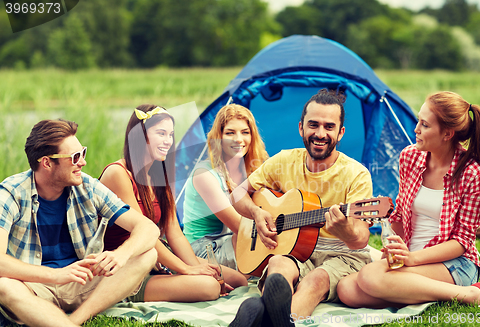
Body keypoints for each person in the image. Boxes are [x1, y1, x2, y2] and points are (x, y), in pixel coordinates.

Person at [337, 91, 480, 309]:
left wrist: (412, 260)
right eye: (418, 121)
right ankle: (416, 291)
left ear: (447, 134)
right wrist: (391, 238)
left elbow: (461, 242)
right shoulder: (410, 157)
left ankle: (471, 294)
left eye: (425, 124)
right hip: (410, 255)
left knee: (370, 276)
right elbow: (402, 215)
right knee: (346, 290)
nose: (416, 129)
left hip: (452, 264)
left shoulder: (472, 173)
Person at [229, 88, 374, 327]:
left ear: (340, 133)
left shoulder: (356, 174)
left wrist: (344, 229)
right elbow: (238, 194)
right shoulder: (285, 160)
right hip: (293, 248)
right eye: (313, 125)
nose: (320, 133)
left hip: (341, 252)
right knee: (277, 264)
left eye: (329, 127)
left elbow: (359, 241)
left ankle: (263, 317)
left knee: (315, 280)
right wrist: (256, 213)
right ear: (301, 128)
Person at [0, 119, 159, 327]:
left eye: (82, 153)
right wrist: (56, 275)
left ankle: (76, 320)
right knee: (3, 286)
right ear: (47, 163)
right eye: (75, 157)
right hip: (34, 286)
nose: (82, 162)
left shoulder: (87, 185)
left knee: (148, 253)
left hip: (82, 281)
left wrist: (121, 254)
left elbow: (148, 228)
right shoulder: (11, 193)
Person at [99, 104, 247, 303]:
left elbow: (174, 231)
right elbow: (143, 235)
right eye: (161, 133)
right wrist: (186, 269)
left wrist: (196, 267)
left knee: (239, 280)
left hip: (157, 258)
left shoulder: (160, 175)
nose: (168, 141)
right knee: (209, 287)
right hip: (126, 268)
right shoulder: (118, 174)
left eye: (170, 135)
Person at [183, 104, 268, 270]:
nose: (238, 139)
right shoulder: (204, 174)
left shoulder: (254, 170)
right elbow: (240, 228)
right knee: (249, 237)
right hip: (202, 250)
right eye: (230, 133)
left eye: (245, 132)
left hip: (240, 240)